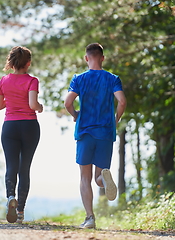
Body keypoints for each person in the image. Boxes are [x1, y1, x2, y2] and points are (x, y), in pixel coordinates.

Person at [64, 43, 127, 229]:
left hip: (85, 131)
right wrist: (116, 119)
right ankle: (104, 179)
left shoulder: (78, 79)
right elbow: (122, 101)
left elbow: (68, 102)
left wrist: (76, 115)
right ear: (102, 58)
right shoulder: (112, 78)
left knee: (85, 177)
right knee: (99, 176)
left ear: (86, 58)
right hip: (105, 132)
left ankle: (90, 218)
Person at [0, 46, 43, 224]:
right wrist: (40, 107)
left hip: (10, 127)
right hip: (29, 126)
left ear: (12, 62)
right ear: (28, 63)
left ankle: (10, 197)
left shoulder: (4, 80)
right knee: (25, 168)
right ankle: (20, 211)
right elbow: (32, 104)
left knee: (11, 165)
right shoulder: (32, 80)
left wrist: (13, 98)